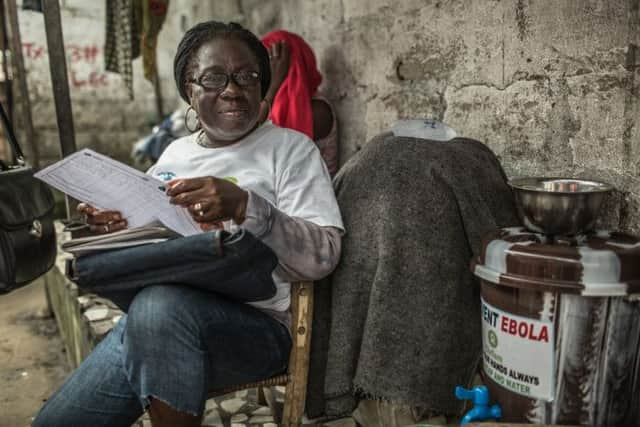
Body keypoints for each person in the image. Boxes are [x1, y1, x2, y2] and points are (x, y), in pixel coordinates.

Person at [33, 21, 343, 427]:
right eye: (214, 78)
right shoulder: (173, 156)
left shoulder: (290, 150)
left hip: (257, 329)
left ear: (261, 86)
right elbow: (153, 242)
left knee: (159, 308)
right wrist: (116, 229)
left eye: (247, 76)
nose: (232, 89)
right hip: (153, 322)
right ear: (189, 91)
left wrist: (247, 206)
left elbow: (324, 255)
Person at [260, 30, 339, 176]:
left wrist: (274, 86)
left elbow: (263, 150)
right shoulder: (270, 105)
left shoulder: (317, 110)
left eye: (270, 66)